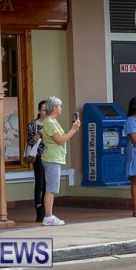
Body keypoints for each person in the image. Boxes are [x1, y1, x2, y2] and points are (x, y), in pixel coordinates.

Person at [41, 96, 81, 226]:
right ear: (54, 108)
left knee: (52, 187)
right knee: (51, 188)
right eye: (59, 106)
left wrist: (73, 129)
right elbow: (61, 140)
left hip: (54, 157)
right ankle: (48, 216)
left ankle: (49, 215)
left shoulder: (53, 121)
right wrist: (73, 129)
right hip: (52, 158)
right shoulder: (50, 123)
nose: (61, 108)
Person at [27, 100, 47, 222]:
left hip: (49, 156)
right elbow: (30, 141)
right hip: (38, 156)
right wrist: (40, 132)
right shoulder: (33, 124)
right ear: (39, 111)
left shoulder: (52, 123)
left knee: (48, 183)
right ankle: (39, 209)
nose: (46, 112)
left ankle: (46, 208)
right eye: (44, 110)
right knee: (40, 182)